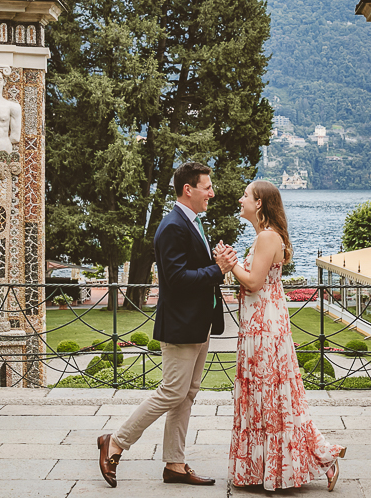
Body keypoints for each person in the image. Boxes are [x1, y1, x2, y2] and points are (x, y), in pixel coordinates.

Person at [98, 162, 238, 488]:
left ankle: (175, 464)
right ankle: (116, 442)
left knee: (186, 394)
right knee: (172, 391)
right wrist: (218, 270)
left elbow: (195, 268)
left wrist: (220, 262)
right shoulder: (174, 226)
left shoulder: (192, 223)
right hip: (181, 326)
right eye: (207, 187)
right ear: (188, 189)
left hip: (198, 324)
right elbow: (175, 280)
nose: (212, 193)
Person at [227, 180, 346, 491]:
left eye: (246, 195)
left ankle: (322, 458)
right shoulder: (264, 237)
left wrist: (230, 264)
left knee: (271, 395)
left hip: (264, 326)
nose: (241, 200)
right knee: (271, 396)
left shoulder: (267, 237)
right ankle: (269, 470)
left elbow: (253, 283)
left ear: (260, 204)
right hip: (261, 322)